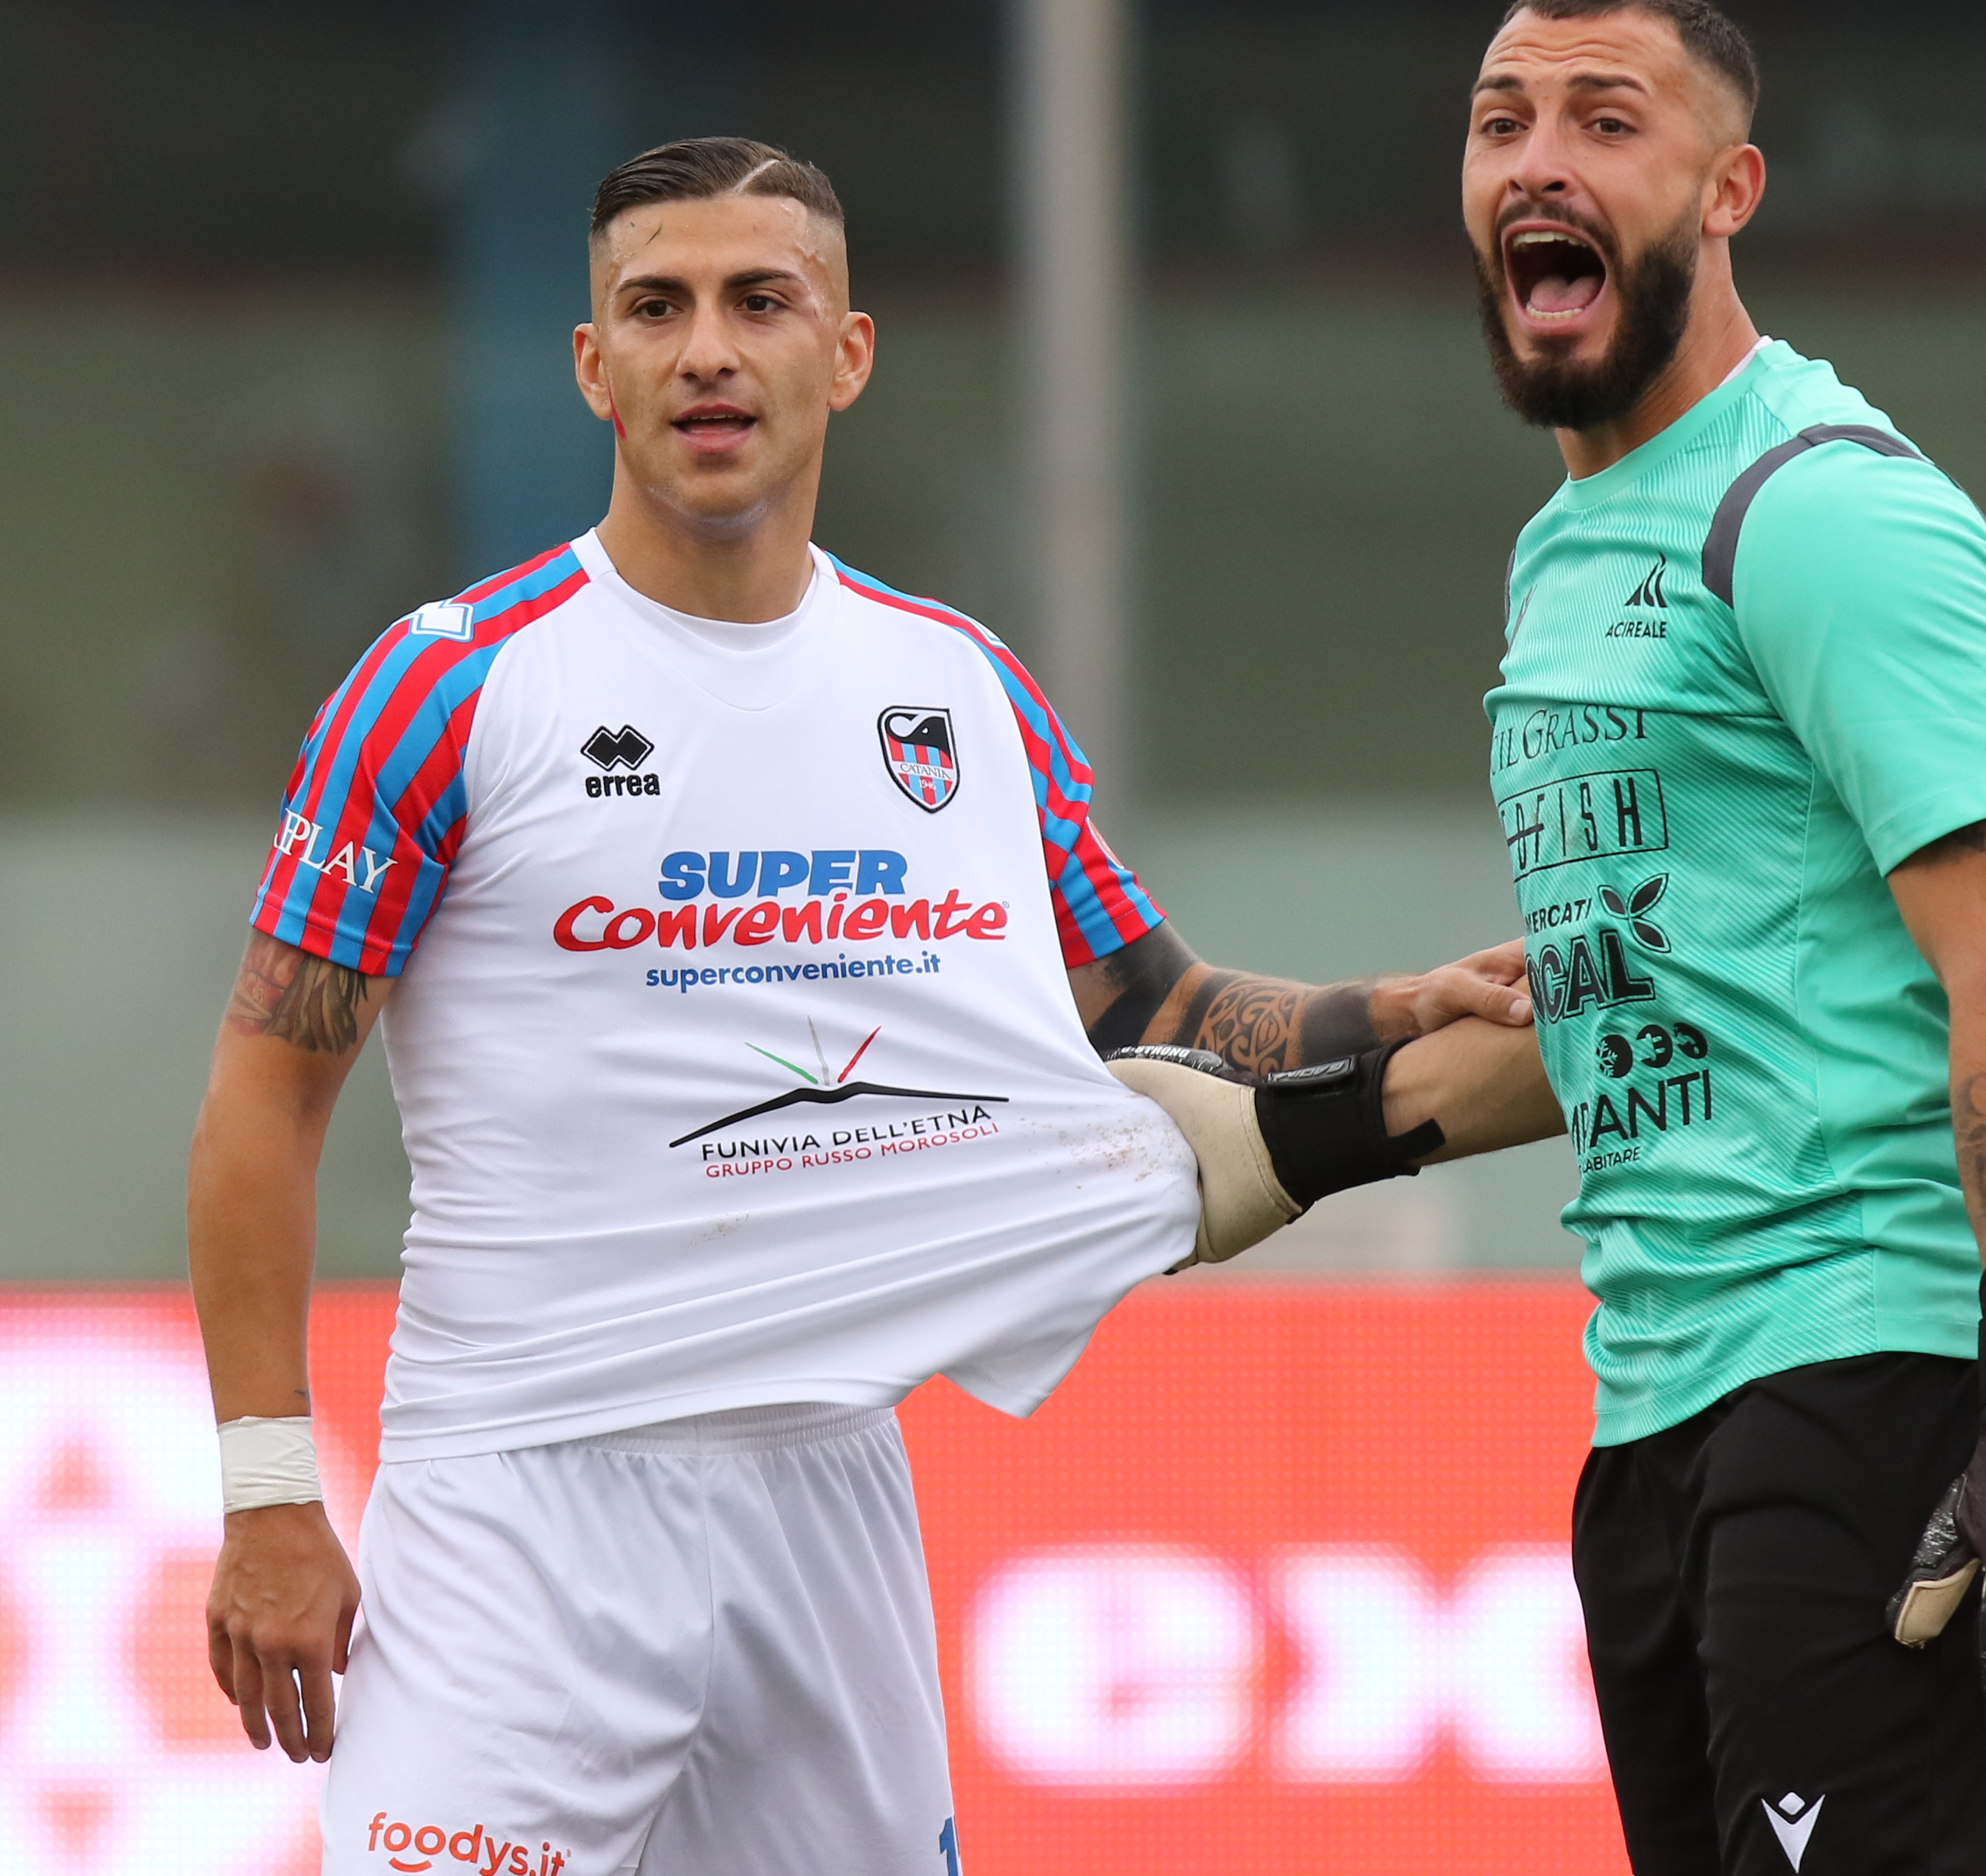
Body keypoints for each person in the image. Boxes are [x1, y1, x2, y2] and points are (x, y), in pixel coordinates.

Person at [188, 136, 1539, 1875]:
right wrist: (267, 1489)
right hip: (522, 1499)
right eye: (655, 309)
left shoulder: (954, 686)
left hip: (829, 1481)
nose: (708, 353)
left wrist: (1383, 997)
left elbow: (1159, 1012)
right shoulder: (449, 683)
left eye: (762, 302)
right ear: (592, 366)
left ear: (848, 351)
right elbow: (260, 1101)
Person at [1122, 6, 1986, 1873]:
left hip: (1860, 1386)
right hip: (1653, 1410)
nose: (1533, 159)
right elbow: (1654, 998)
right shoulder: (1564, 549)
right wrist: (1295, 1138)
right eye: (1496, 122)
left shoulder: (1823, 512)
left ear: (1724, 193)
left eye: (1600, 121)